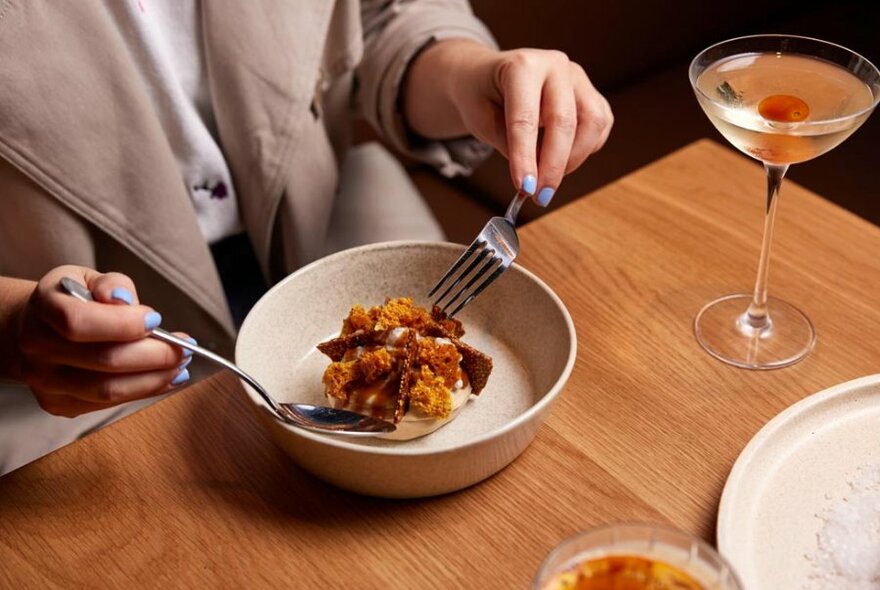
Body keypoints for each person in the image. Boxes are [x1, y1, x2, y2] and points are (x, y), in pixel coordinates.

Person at [0, 0, 612, 473]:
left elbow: (376, 18)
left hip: (327, 223)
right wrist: (11, 327)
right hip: (66, 350)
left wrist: (473, 75)